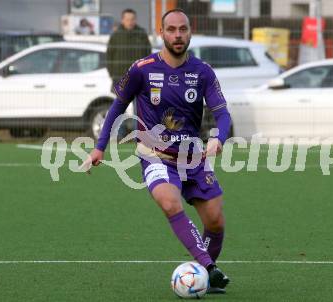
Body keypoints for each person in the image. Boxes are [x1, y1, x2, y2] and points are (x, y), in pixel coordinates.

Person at [83, 8, 231, 293]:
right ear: (161, 33)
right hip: (155, 155)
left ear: (190, 31)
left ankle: (203, 277)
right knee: (169, 202)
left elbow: (223, 113)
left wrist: (219, 138)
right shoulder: (142, 69)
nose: (178, 35)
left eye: (183, 29)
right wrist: (99, 147)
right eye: (172, 29)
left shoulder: (202, 71)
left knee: (215, 220)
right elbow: (117, 106)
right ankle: (209, 269)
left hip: (193, 156)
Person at [107, 9, 152, 138]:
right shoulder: (115, 36)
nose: (130, 22)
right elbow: (109, 57)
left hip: (139, 81)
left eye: (132, 19)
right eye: (127, 19)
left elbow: (148, 56)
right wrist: (114, 75)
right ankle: (118, 135)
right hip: (120, 79)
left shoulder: (141, 34)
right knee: (118, 109)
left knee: (140, 109)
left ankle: (139, 135)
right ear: (122, 20)